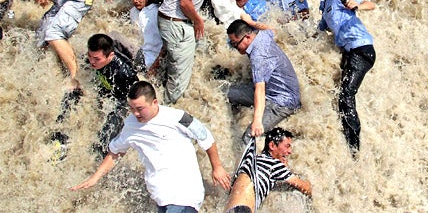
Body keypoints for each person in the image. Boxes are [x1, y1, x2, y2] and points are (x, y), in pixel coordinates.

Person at [71, 81, 231, 211]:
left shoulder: (177, 117)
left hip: (184, 195)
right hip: (160, 196)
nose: (136, 114)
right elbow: (115, 152)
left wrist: (217, 167)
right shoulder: (130, 126)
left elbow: (205, 136)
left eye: (140, 109)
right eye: (132, 109)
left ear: (154, 102)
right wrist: (96, 177)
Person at [302, 0, 376, 155]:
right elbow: (319, 31)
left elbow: (370, 4)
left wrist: (357, 6)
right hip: (351, 54)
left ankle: (354, 149)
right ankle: (348, 138)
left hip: (362, 50)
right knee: (341, 95)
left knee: (345, 96)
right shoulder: (325, 7)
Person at [226, 20, 301, 142]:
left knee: (249, 137)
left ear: (248, 37)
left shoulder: (258, 56)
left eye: (235, 44)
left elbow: (260, 89)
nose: (234, 48)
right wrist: (250, 21)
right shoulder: (261, 35)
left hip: (282, 102)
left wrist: (257, 121)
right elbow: (271, 29)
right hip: (272, 90)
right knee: (226, 93)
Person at [225, 128, 312, 212]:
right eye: (287, 146)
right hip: (242, 210)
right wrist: (309, 182)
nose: (290, 151)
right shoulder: (274, 164)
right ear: (272, 145)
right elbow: (305, 188)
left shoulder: (252, 161)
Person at [85, 33, 139, 157]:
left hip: (122, 100)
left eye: (97, 59)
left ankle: (100, 156)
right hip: (107, 90)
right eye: (90, 56)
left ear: (110, 56)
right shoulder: (93, 57)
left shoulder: (124, 73)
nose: (91, 61)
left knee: (106, 134)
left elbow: (136, 97)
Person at [129, 0, 162, 73]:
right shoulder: (133, 12)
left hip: (154, 60)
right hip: (139, 56)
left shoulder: (157, 12)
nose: (135, 1)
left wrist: (156, 65)